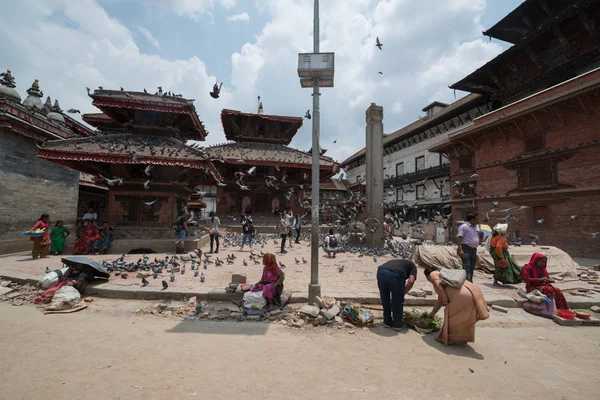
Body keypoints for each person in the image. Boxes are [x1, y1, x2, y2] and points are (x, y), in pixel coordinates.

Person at [425, 265, 489, 345]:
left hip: (461, 295)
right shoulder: (446, 276)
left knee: (452, 318)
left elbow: (439, 287)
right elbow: (439, 300)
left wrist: (446, 301)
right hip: (472, 290)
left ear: (427, 275)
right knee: (465, 317)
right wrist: (432, 314)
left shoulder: (433, 274)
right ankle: (462, 338)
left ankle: (448, 338)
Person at [377, 259, 417, 330]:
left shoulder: (396, 261)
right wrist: (402, 294)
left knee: (385, 299)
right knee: (397, 301)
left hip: (381, 272)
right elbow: (411, 281)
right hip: (395, 275)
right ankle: (397, 324)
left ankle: (387, 322)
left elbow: (379, 267)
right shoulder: (413, 267)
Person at [457, 213, 482, 282]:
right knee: (466, 266)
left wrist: (481, 235)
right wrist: (460, 250)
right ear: (472, 219)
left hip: (474, 249)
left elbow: (480, 239)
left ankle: (469, 281)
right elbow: (459, 238)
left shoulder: (476, 227)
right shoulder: (463, 227)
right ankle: (467, 282)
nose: (478, 221)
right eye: (476, 219)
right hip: (466, 248)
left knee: (472, 266)